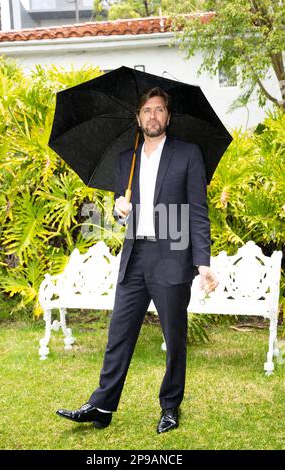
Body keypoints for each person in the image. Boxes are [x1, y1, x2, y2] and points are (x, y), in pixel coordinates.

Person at [56, 87, 218, 433]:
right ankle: (101, 406)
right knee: (119, 333)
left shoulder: (188, 155)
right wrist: (118, 211)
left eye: (159, 110)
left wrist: (203, 262)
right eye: (146, 110)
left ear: (168, 117)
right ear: (138, 117)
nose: (153, 116)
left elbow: (198, 213)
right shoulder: (124, 161)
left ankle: (170, 407)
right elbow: (123, 211)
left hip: (173, 258)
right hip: (135, 258)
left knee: (174, 339)